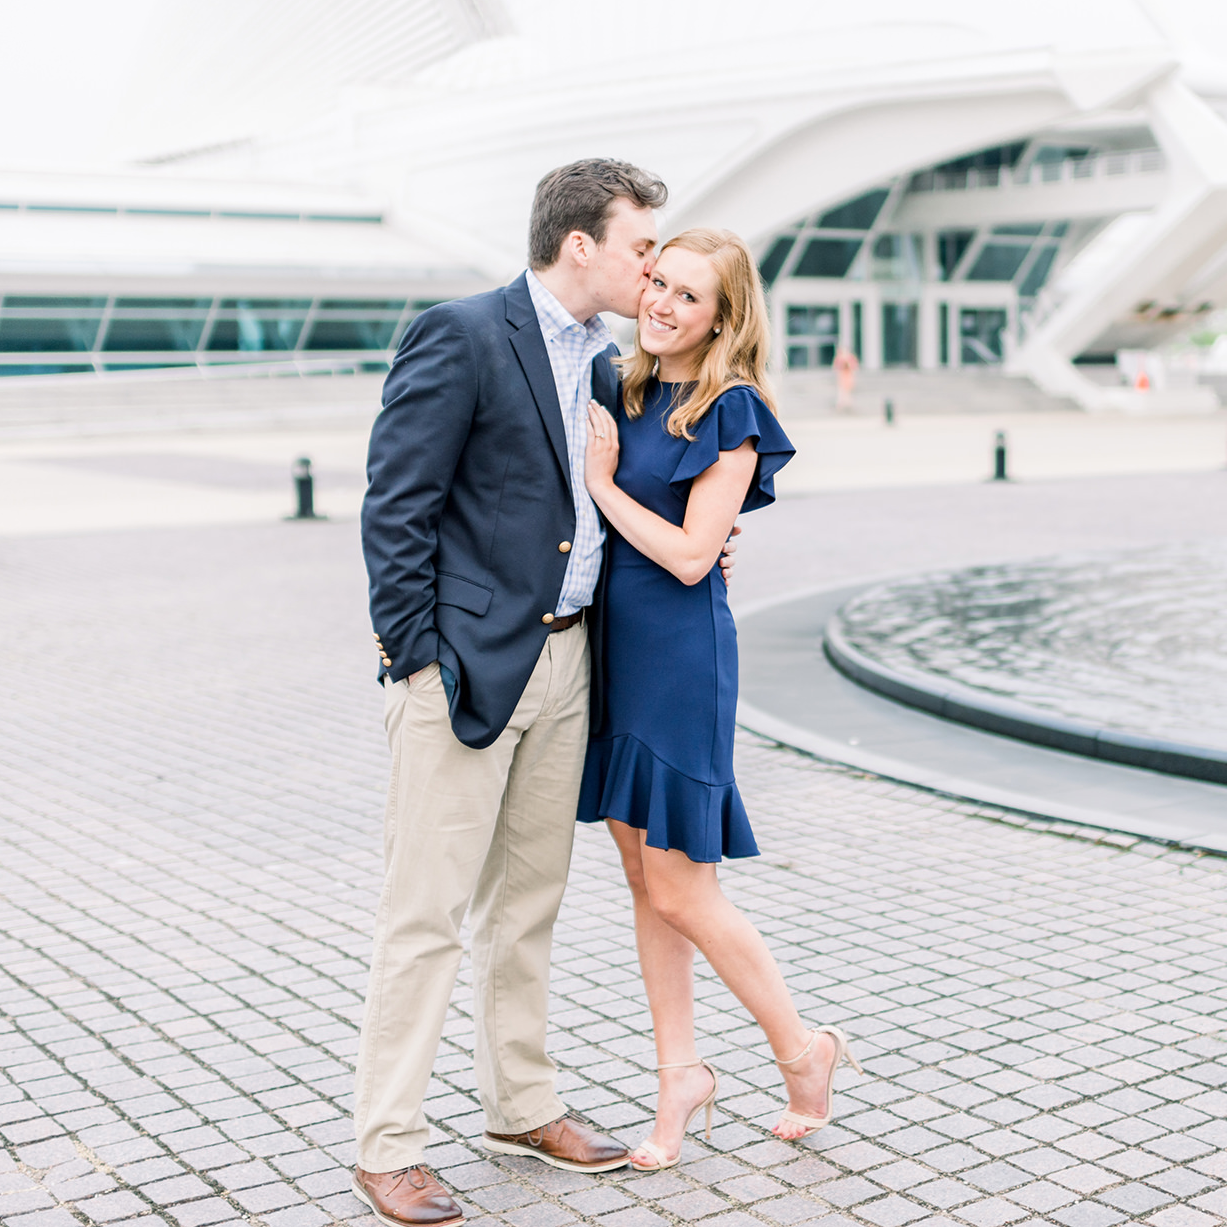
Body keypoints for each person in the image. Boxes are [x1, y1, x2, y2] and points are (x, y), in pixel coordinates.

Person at [353, 160, 728, 1227]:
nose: (653, 267)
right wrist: (415, 655)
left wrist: (709, 546)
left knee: (527, 909)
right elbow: (397, 506)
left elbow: (607, 506)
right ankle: (388, 1143)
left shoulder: (611, 365)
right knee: (424, 916)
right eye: (641, 246)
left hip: (569, 667)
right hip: (464, 671)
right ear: (581, 245)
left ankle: (522, 1105)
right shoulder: (462, 333)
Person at [577, 229, 858, 1172]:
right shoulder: (624, 384)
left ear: (723, 317)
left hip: (678, 664)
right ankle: (679, 1075)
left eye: (687, 296)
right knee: (643, 884)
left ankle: (802, 1050)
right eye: (657, 283)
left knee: (683, 888)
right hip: (610, 657)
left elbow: (695, 555)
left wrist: (604, 485)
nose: (660, 303)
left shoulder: (730, 408)